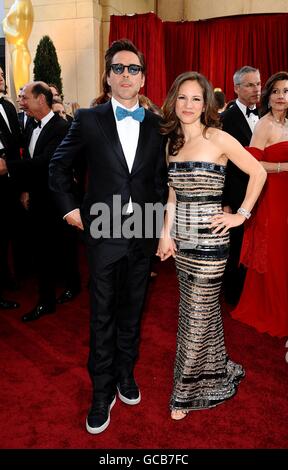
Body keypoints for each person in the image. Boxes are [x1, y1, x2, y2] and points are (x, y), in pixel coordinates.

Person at [49, 39, 167, 434]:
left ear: (143, 77)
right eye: (119, 68)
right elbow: (58, 166)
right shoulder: (88, 118)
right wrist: (70, 210)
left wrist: (162, 225)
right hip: (103, 229)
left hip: (144, 229)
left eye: (133, 69)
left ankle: (124, 375)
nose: (126, 75)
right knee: (102, 315)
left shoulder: (157, 124)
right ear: (108, 75)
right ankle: (102, 391)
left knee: (133, 311)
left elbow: (159, 180)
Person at [157, 71, 266, 420]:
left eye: (196, 99)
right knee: (197, 310)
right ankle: (215, 370)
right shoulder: (171, 143)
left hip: (210, 244)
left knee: (195, 315)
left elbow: (258, 172)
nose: (188, 105)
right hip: (183, 243)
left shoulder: (218, 137)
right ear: (174, 100)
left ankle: (184, 394)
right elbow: (173, 196)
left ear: (206, 105)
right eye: (183, 97)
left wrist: (241, 215)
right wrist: (164, 233)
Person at [0, 81, 81, 321]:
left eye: (25, 98)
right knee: (44, 250)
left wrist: (8, 167)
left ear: (41, 100)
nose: (21, 102)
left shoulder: (61, 127)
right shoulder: (29, 127)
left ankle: (71, 287)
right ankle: (46, 299)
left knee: (65, 246)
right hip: (38, 198)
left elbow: (46, 161)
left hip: (59, 200)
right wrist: (25, 190)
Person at [231, 71, 288, 338]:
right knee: (275, 254)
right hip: (271, 198)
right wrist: (283, 167)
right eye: (276, 91)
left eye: (286, 91)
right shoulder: (263, 125)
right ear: (269, 95)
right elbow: (251, 165)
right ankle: (274, 308)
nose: (280, 96)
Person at [221, 66, 261, 305]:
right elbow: (222, 163)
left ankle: (256, 294)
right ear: (236, 88)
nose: (256, 89)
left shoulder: (268, 113)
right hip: (236, 194)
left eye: (258, 83)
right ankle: (235, 296)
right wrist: (225, 201)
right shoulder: (226, 118)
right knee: (236, 247)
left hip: (264, 192)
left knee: (259, 244)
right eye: (249, 84)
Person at [2, 0, 33, 95]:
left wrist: (4, 24)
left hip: (19, 51)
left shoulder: (23, 4)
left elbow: (18, 35)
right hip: (18, 50)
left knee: (22, 93)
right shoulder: (20, 4)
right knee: (21, 92)